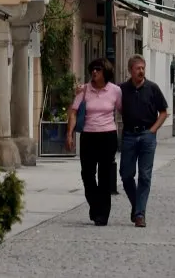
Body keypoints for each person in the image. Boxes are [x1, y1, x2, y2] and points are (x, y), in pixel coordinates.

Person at [66, 58, 121, 226]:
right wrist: (69, 134)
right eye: (92, 69)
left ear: (106, 72)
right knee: (87, 174)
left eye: (98, 69)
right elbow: (73, 112)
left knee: (104, 175)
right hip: (89, 136)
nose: (94, 72)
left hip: (108, 135)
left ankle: (102, 215)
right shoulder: (84, 90)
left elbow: (122, 110)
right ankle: (95, 205)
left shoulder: (115, 91)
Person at [120, 54, 168, 229]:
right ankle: (136, 206)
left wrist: (152, 131)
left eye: (143, 68)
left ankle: (140, 214)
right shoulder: (122, 89)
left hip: (147, 136)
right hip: (129, 136)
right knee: (126, 175)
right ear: (130, 70)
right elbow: (114, 104)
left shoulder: (152, 88)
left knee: (145, 176)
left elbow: (163, 111)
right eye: (137, 68)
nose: (141, 71)